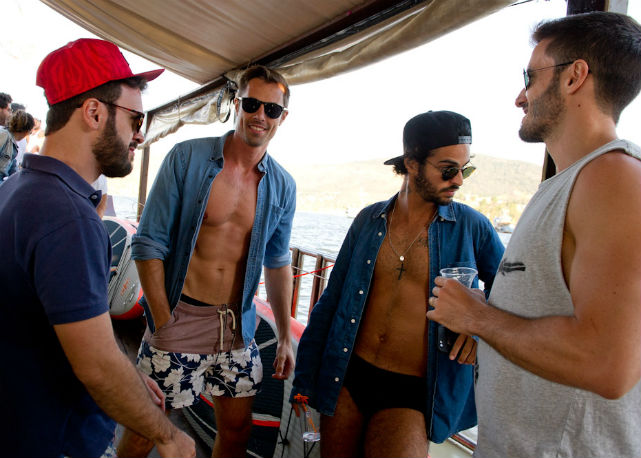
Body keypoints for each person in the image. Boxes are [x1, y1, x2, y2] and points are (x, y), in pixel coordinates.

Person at [428, 12, 641, 458]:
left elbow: (607, 363)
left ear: (574, 77)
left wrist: (477, 318)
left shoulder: (615, 179)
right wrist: (488, 309)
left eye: (530, 77)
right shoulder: (570, 182)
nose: (519, 97)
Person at [0, 38, 196, 458]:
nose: (139, 135)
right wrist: (169, 436)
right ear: (93, 112)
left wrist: (129, 376)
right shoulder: (68, 218)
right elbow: (96, 366)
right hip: (55, 439)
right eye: (136, 119)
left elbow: (77, 334)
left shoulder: (17, 188)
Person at [292, 110, 505, 457]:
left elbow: (514, 290)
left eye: (465, 170)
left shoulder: (472, 227)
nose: (459, 181)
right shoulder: (368, 220)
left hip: (412, 390)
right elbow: (331, 301)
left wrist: (479, 325)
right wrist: (304, 378)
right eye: (448, 170)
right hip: (348, 373)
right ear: (412, 163)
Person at [118, 65, 296, 458]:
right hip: (180, 316)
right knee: (147, 426)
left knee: (237, 431)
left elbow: (278, 261)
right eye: (251, 104)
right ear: (237, 104)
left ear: (282, 117)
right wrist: (163, 322)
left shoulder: (283, 186)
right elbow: (149, 244)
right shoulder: (187, 158)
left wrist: (285, 336)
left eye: (271, 109)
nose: (260, 115)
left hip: (237, 328)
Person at [0, 110, 34, 180]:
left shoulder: (13, 145)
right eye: (30, 132)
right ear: (27, 131)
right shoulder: (4, 135)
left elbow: (13, 170)